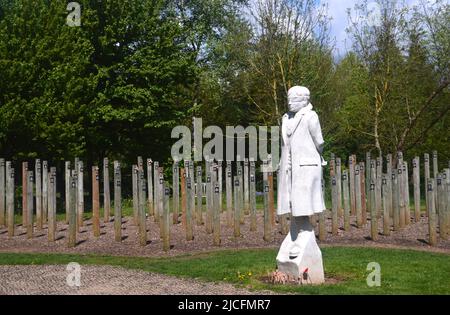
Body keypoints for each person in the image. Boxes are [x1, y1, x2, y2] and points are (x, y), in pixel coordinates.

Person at [277, 86, 326, 259]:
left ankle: (304, 233)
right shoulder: (286, 118)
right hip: (290, 166)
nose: (290, 103)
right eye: (289, 99)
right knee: (292, 201)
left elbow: (319, 141)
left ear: (305, 100)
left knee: (302, 200)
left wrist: (315, 157)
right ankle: (295, 232)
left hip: (306, 165)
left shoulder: (311, 117)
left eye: (294, 100)